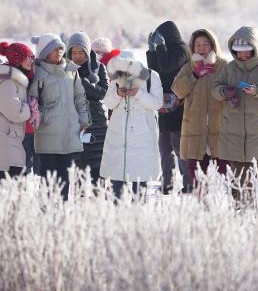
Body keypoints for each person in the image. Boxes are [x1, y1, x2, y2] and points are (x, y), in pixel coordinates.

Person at [212, 26, 258, 199]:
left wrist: (257, 90)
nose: (242, 56)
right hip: (233, 134)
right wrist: (224, 92)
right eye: (238, 52)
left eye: (246, 52)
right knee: (237, 182)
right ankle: (239, 215)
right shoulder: (229, 68)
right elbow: (215, 88)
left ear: (255, 48)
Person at [30, 33, 90, 200]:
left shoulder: (71, 71)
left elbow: (80, 97)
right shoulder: (38, 74)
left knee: (65, 179)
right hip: (47, 134)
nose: (59, 52)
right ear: (44, 53)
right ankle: (46, 213)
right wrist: (45, 116)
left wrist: (84, 120)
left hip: (70, 134)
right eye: (54, 49)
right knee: (48, 180)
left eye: (61, 49)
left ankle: (61, 213)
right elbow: (32, 101)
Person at [101, 52, 163, 198]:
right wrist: (117, 93)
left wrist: (138, 94)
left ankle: (138, 216)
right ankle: (117, 215)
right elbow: (108, 103)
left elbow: (157, 103)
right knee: (117, 182)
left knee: (140, 183)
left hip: (143, 137)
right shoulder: (116, 78)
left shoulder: (151, 76)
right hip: (118, 137)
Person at [172, 28, 227, 186]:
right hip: (195, 130)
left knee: (228, 175)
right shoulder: (189, 67)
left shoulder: (223, 66)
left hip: (219, 129)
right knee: (198, 179)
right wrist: (195, 75)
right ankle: (202, 208)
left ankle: (234, 207)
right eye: (198, 44)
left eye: (205, 44)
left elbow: (232, 89)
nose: (202, 47)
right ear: (193, 47)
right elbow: (178, 90)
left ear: (213, 45)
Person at [146, 21, 191, 193]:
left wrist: (161, 47)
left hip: (179, 106)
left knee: (179, 147)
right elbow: (154, 69)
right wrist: (151, 49)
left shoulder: (181, 50)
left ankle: (188, 184)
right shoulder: (163, 50)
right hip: (164, 105)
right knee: (164, 147)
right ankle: (168, 184)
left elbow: (166, 66)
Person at [0, 42, 37, 180]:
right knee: (11, 180)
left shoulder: (20, 79)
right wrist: (29, 109)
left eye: (32, 56)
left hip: (15, 136)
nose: (31, 60)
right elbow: (15, 112)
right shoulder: (8, 81)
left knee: (17, 178)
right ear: (17, 59)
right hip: (7, 136)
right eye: (28, 57)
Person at [67, 32, 109, 184]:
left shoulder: (99, 67)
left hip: (97, 123)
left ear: (88, 51)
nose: (77, 56)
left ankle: (96, 202)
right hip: (74, 123)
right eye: (74, 52)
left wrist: (84, 84)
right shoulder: (64, 69)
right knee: (76, 167)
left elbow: (104, 93)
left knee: (97, 167)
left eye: (81, 52)